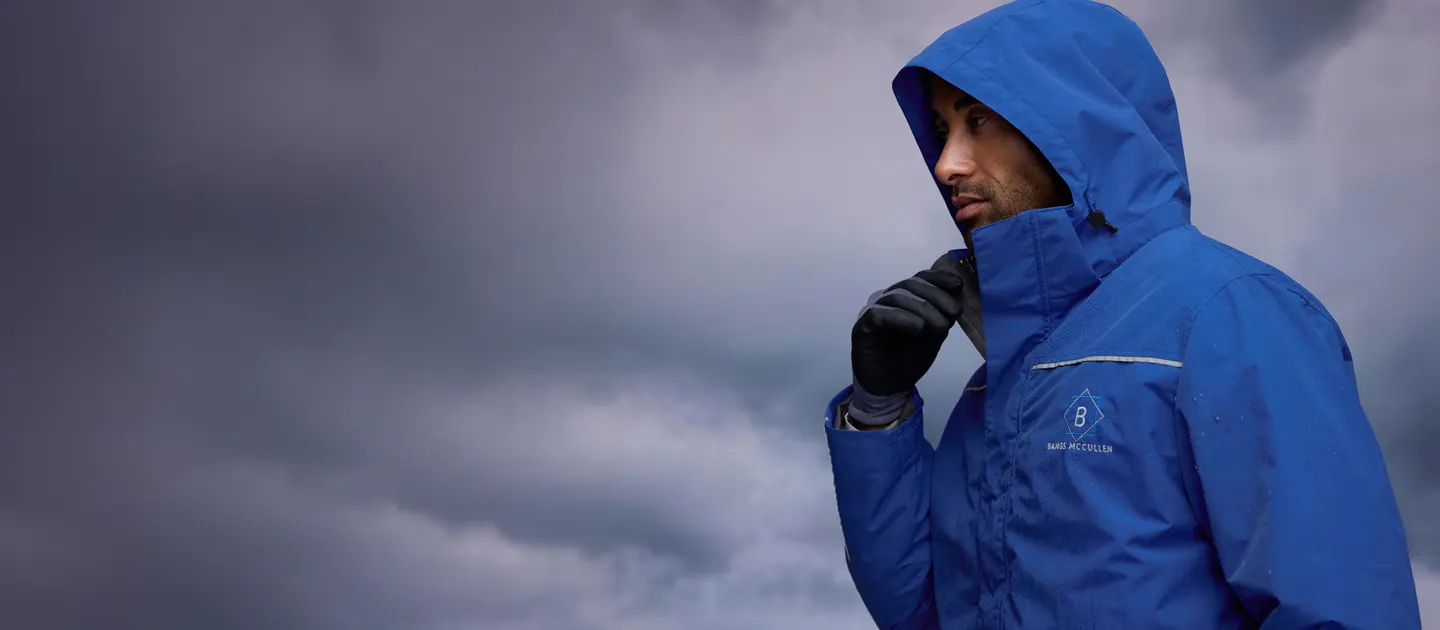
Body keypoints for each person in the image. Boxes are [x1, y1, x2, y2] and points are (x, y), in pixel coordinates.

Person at [823, 1, 1422, 628]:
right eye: (943, 131)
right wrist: (878, 407)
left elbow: (1340, 608)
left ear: (1075, 127)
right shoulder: (999, 378)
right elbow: (926, 613)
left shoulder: (1230, 312)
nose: (947, 164)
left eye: (978, 120)